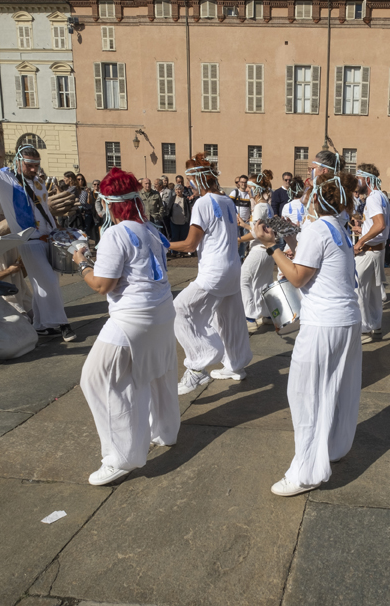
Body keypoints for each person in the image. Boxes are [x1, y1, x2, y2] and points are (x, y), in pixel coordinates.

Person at [254, 171, 362, 496]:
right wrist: (288, 238)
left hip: (324, 325)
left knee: (305, 394)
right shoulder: (338, 227)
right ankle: (333, 448)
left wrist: (272, 246)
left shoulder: (318, 228)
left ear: (318, 198)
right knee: (338, 389)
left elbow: (299, 276)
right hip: (347, 320)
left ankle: (306, 473)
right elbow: (310, 259)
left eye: (311, 193)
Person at [73, 168, 181, 486]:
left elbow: (103, 284)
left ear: (107, 203)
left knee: (97, 379)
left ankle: (122, 456)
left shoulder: (115, 234)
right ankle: (165, 431)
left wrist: (82, 262)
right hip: (161, 312)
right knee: (158, 373)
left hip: (132, 318)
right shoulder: (149, 228)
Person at [0, 120, 76, 342]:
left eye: (36, 165)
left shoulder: (39, 183)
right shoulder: (5, 177)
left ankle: (40, 324)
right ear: (18, 161)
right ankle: (63, 324)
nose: (33, 169)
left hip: (49, 238)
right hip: (29, 241)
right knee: (48, 281)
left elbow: (45, 210)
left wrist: (57, 227)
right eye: (29, 165)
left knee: (46, 283)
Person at [168, 154, 252, 392]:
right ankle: (235, 365)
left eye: (189, 178)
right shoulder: (226, 200)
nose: (188, 183)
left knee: (180, 308)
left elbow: (189, 245)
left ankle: (198, 364)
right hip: (232, 266)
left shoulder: (202, 203)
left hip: (215, 271)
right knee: (229, 319)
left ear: (198, 179)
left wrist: (162, 243)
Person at [353, 164, 390, 343]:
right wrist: (363, 229)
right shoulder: (381, 196)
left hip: (369, 252)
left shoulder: (372, 199)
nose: (355, 181)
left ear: (367, 179)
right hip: (377, 250)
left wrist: (360, 241)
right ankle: (376, 326)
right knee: (374, 292)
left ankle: (364, 330)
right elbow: (377, 225)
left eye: (358, 178)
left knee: (357, 288)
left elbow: (380, 225)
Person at [239, 171, 276, 332]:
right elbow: (259, 228)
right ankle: (266, 315)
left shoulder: (261, 206)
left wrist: (239, 240)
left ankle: (250, 317)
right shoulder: (266, 206)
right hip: (267, 250)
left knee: (244, 279)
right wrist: (245, 225)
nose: (247, 190)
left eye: (249, 187)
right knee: (263, 282)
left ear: (256, 189)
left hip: (259, 249)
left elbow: (256, 233)